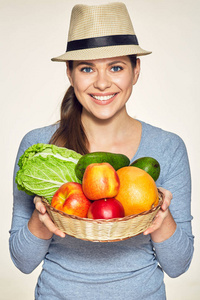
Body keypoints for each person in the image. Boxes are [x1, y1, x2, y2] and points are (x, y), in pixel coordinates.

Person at [9, 2, 194, 300]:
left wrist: (162, 216)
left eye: (117, 67)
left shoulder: (168, 147)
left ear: (136, 71)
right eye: (87, 68)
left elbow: (178, 265)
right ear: (70, 74)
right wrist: (41, 219)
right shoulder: (40, 147)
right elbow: (23, 261)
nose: (103, 82)